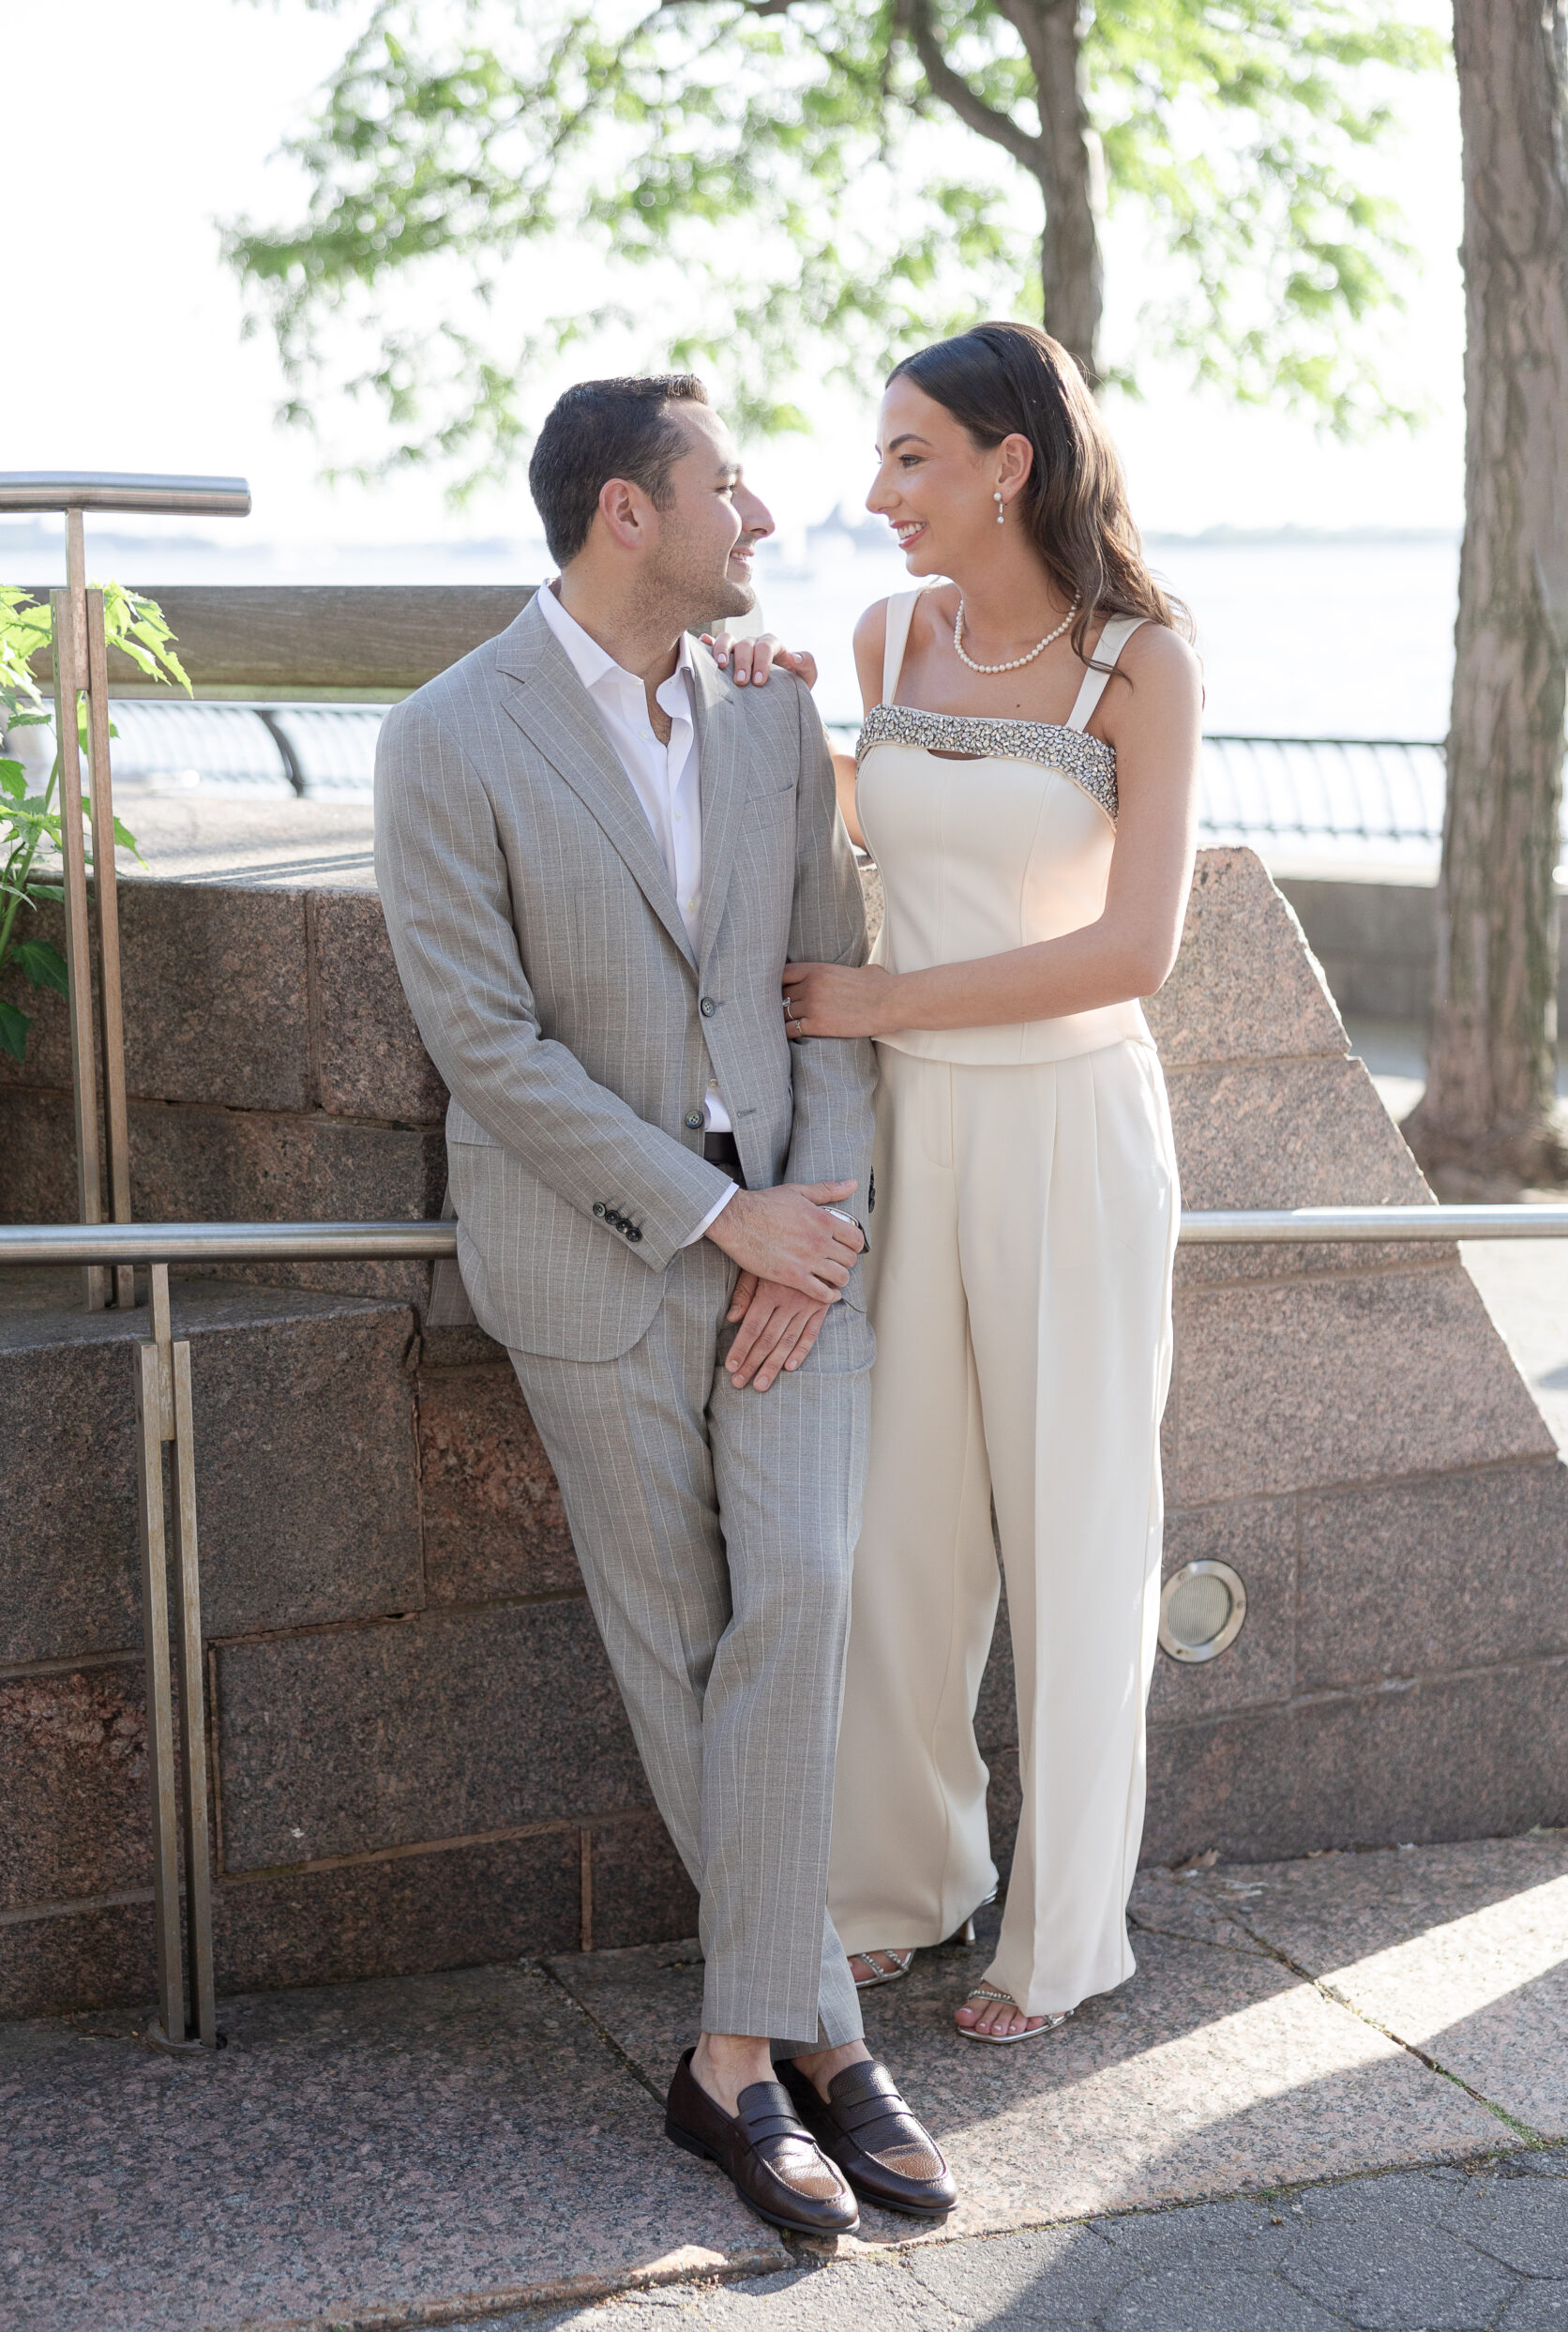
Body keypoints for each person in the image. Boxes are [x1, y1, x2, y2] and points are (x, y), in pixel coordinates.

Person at [373, 373, 956, 2229]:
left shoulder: (769, 711)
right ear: (627, 513)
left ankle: (731, 2057)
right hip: (601, 1255)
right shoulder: (443, 737)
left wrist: (819, 1223)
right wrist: (721, 1219)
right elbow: (486, 1045)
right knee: (680, 1645)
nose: (765, 515)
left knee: (803, 1588)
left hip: (800, 1245)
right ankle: (820, 2044)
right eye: (730, 485)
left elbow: (827, 986)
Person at [716, 321, 1199, 2044]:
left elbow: (1136, 950)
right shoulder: (887, 635)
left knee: (1077, 1530)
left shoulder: (1140, 664)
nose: (877, 493)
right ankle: (897, 1886)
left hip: (1072, 1134)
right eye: (880, 457)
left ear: (1012, 462)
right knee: (900, 1532)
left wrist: (885, 1004)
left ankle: (1062, 1939)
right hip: (908, 1135)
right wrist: (776, 719)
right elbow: (897, 825)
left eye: (910, 457)